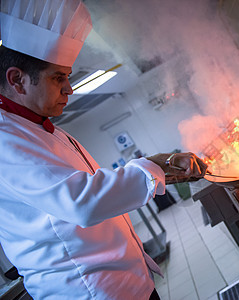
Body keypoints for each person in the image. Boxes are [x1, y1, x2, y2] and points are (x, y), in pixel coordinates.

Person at [0, 0, 208, 299]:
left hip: (125, 282)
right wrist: (155, 166)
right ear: (17, 80)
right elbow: (82, 201)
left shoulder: (45, 129)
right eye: (59, 77)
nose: (69, 89)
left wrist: (158, 170)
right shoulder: (5, 139)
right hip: (91, 292)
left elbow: (91, 187)